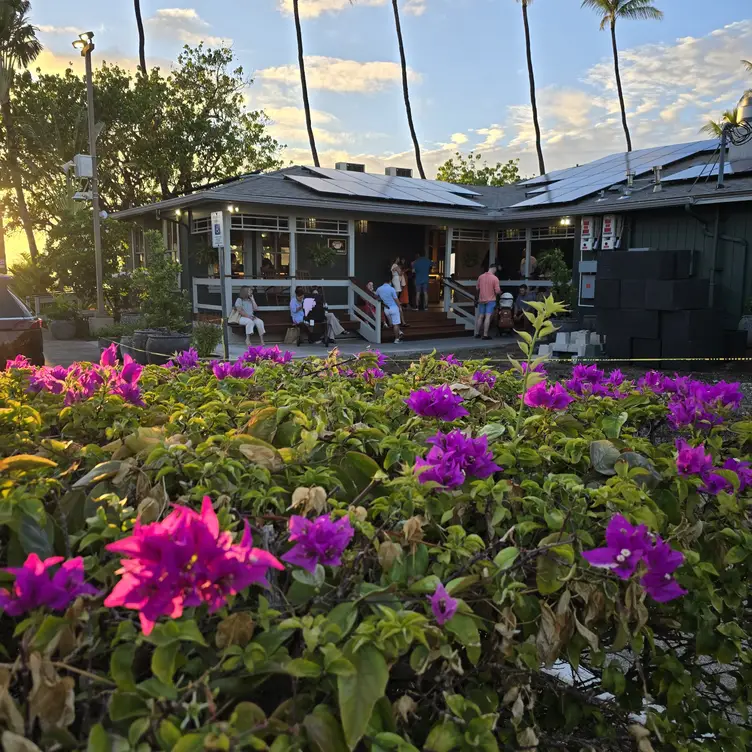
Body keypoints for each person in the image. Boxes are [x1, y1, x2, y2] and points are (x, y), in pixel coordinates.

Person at [475, 264, 501, 340]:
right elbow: (497, 290)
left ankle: (477, 333)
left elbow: (477, 288)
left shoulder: (481, 277)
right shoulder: (495, 278)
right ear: (494, 269)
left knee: (480, 316)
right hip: (490, 300)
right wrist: (500, 292)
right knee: (488, 316)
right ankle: (485, 335)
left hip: (481, 299)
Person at [376, 276, 404, 343]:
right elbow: (396, 299)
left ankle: (399, 332)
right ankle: (397, 339)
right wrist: (399, 307)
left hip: (386, 309)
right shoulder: (392, 289)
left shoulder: (379, 289)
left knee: (391, 323)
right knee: (396, 324)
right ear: (390, 282)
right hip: (394, 308)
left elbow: (376, 297)